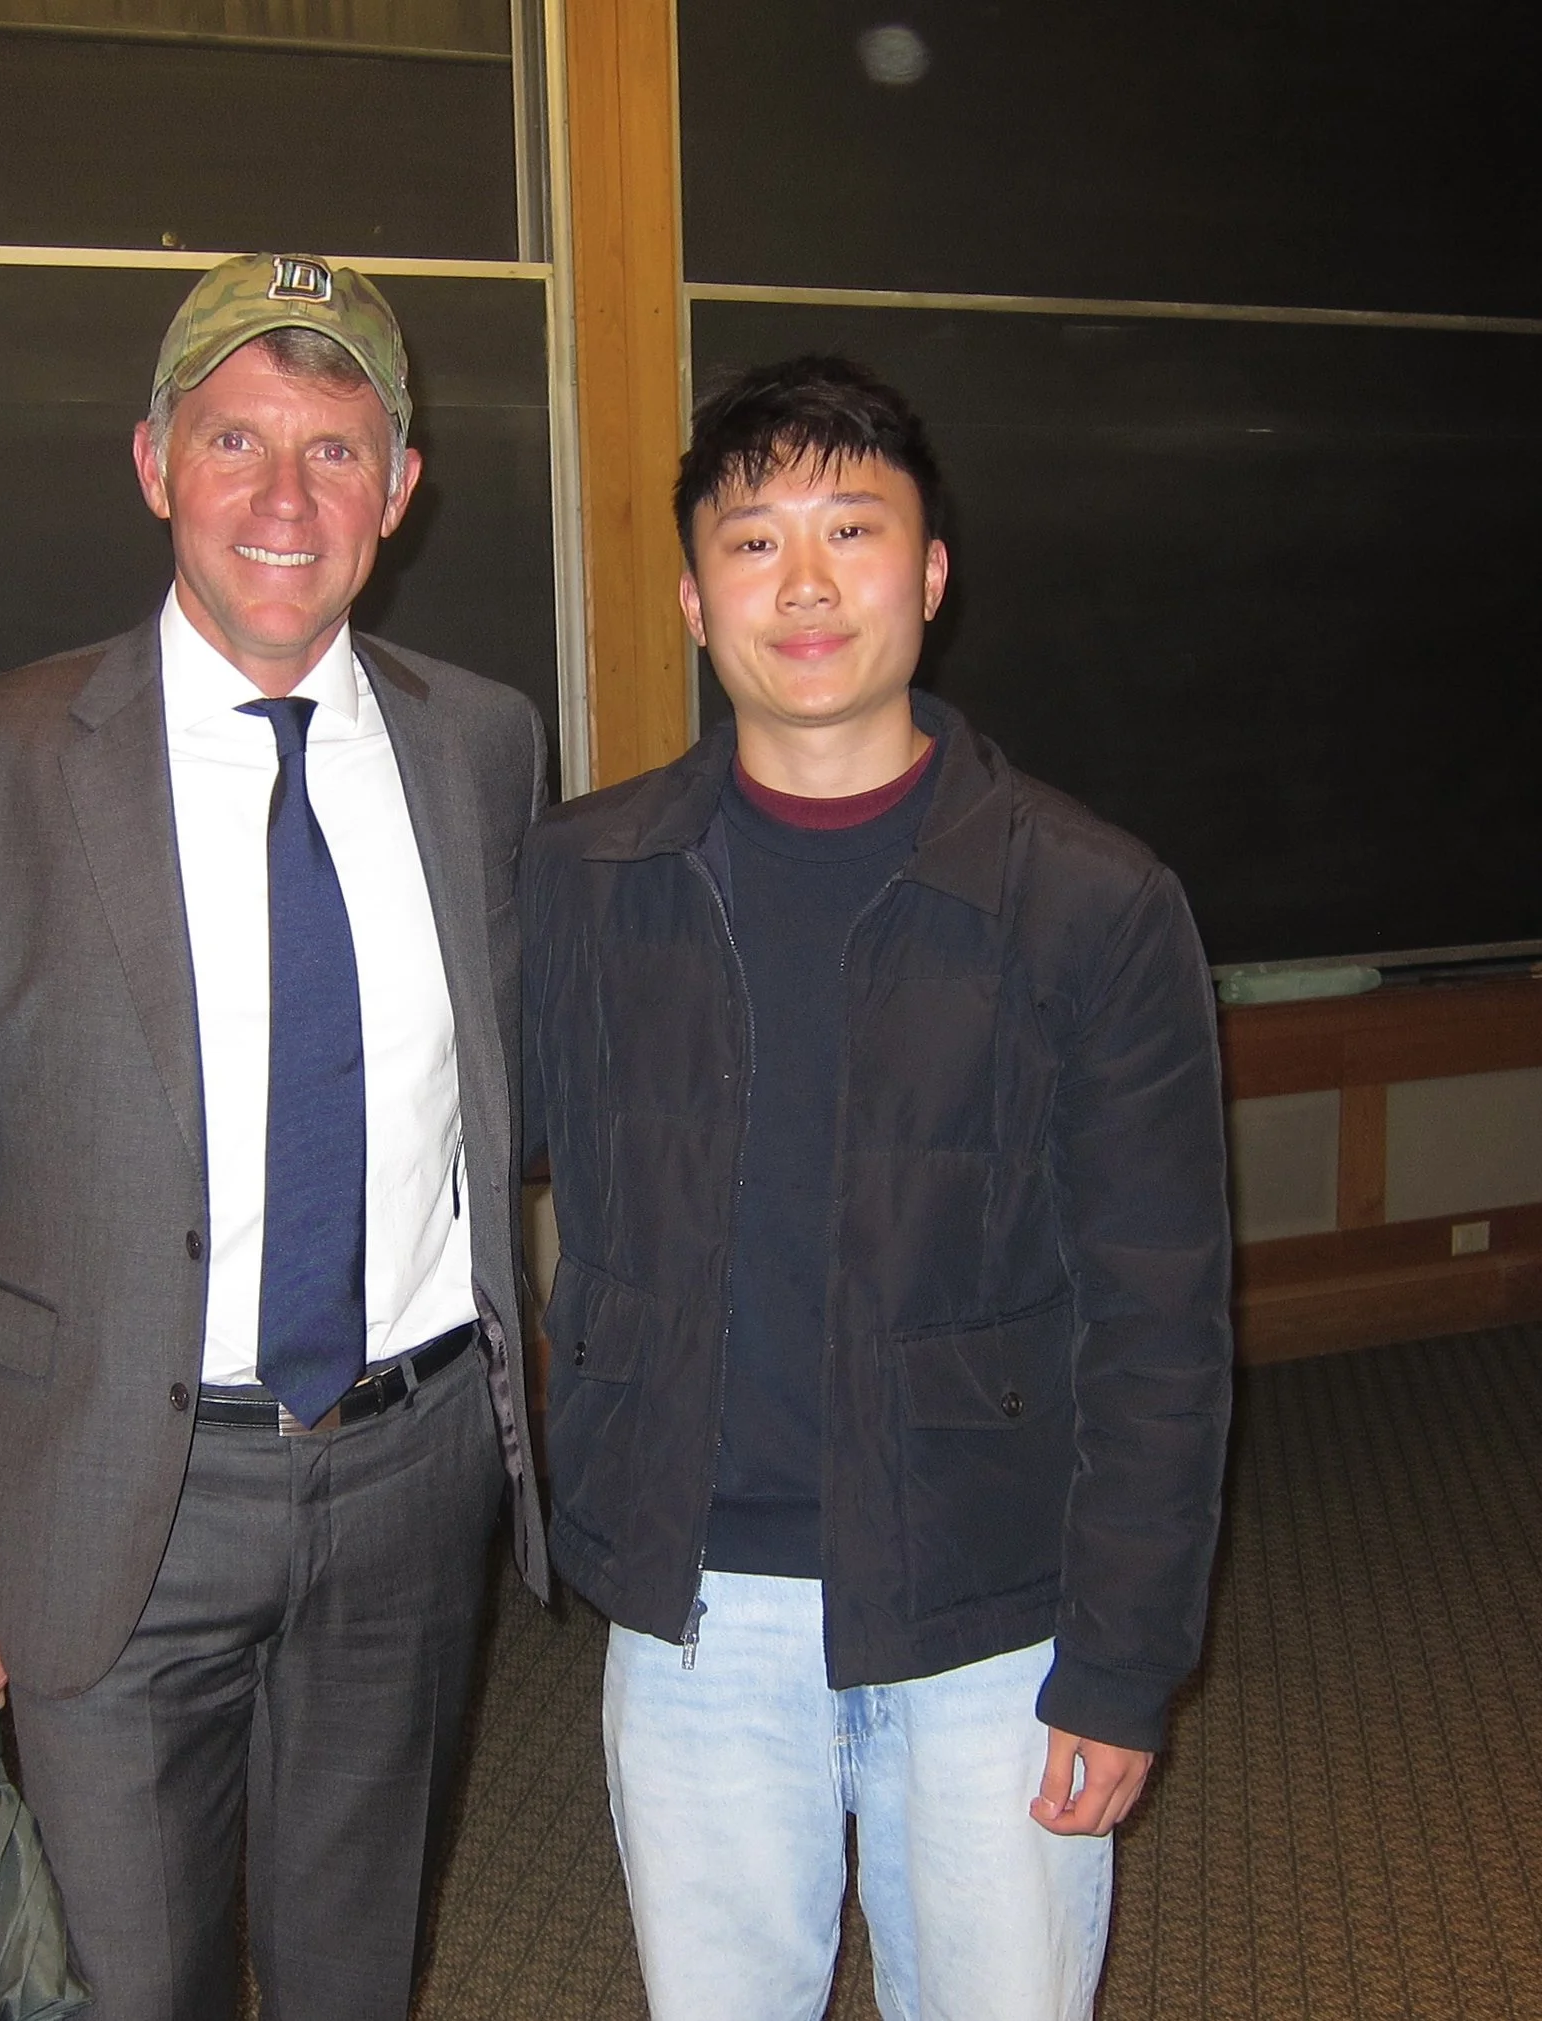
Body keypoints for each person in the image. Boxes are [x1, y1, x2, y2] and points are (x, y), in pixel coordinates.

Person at [0, 251, 549, 2021]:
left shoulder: (483, 747)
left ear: (399, 486)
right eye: (235, 440)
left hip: (410, 1476)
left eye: (334, 449)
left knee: (354, 1975)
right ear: (154, 462)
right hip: (111, 1503)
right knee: (133, 1987)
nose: (283, 500)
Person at [520, 354, 1232, 2021]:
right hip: (697, 1618)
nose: (807, 584)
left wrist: (1122, 1660)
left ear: (930, 574)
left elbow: (1163, 1323)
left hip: (992, 1620)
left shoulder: (1091, 902)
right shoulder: (585, 882)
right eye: (754, 541)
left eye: (853, 529)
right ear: (695, 601)